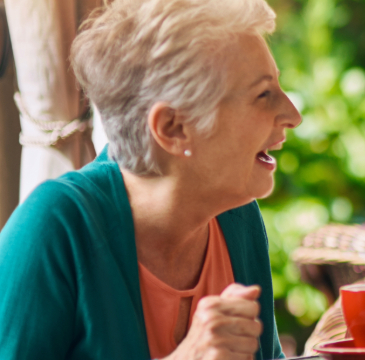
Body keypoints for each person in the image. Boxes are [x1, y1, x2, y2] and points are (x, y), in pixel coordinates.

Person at [0, 0, 302, 358]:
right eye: (263, 95)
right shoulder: (53, 226)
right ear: (172, 128)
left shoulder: (236, 216)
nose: (292, 114)